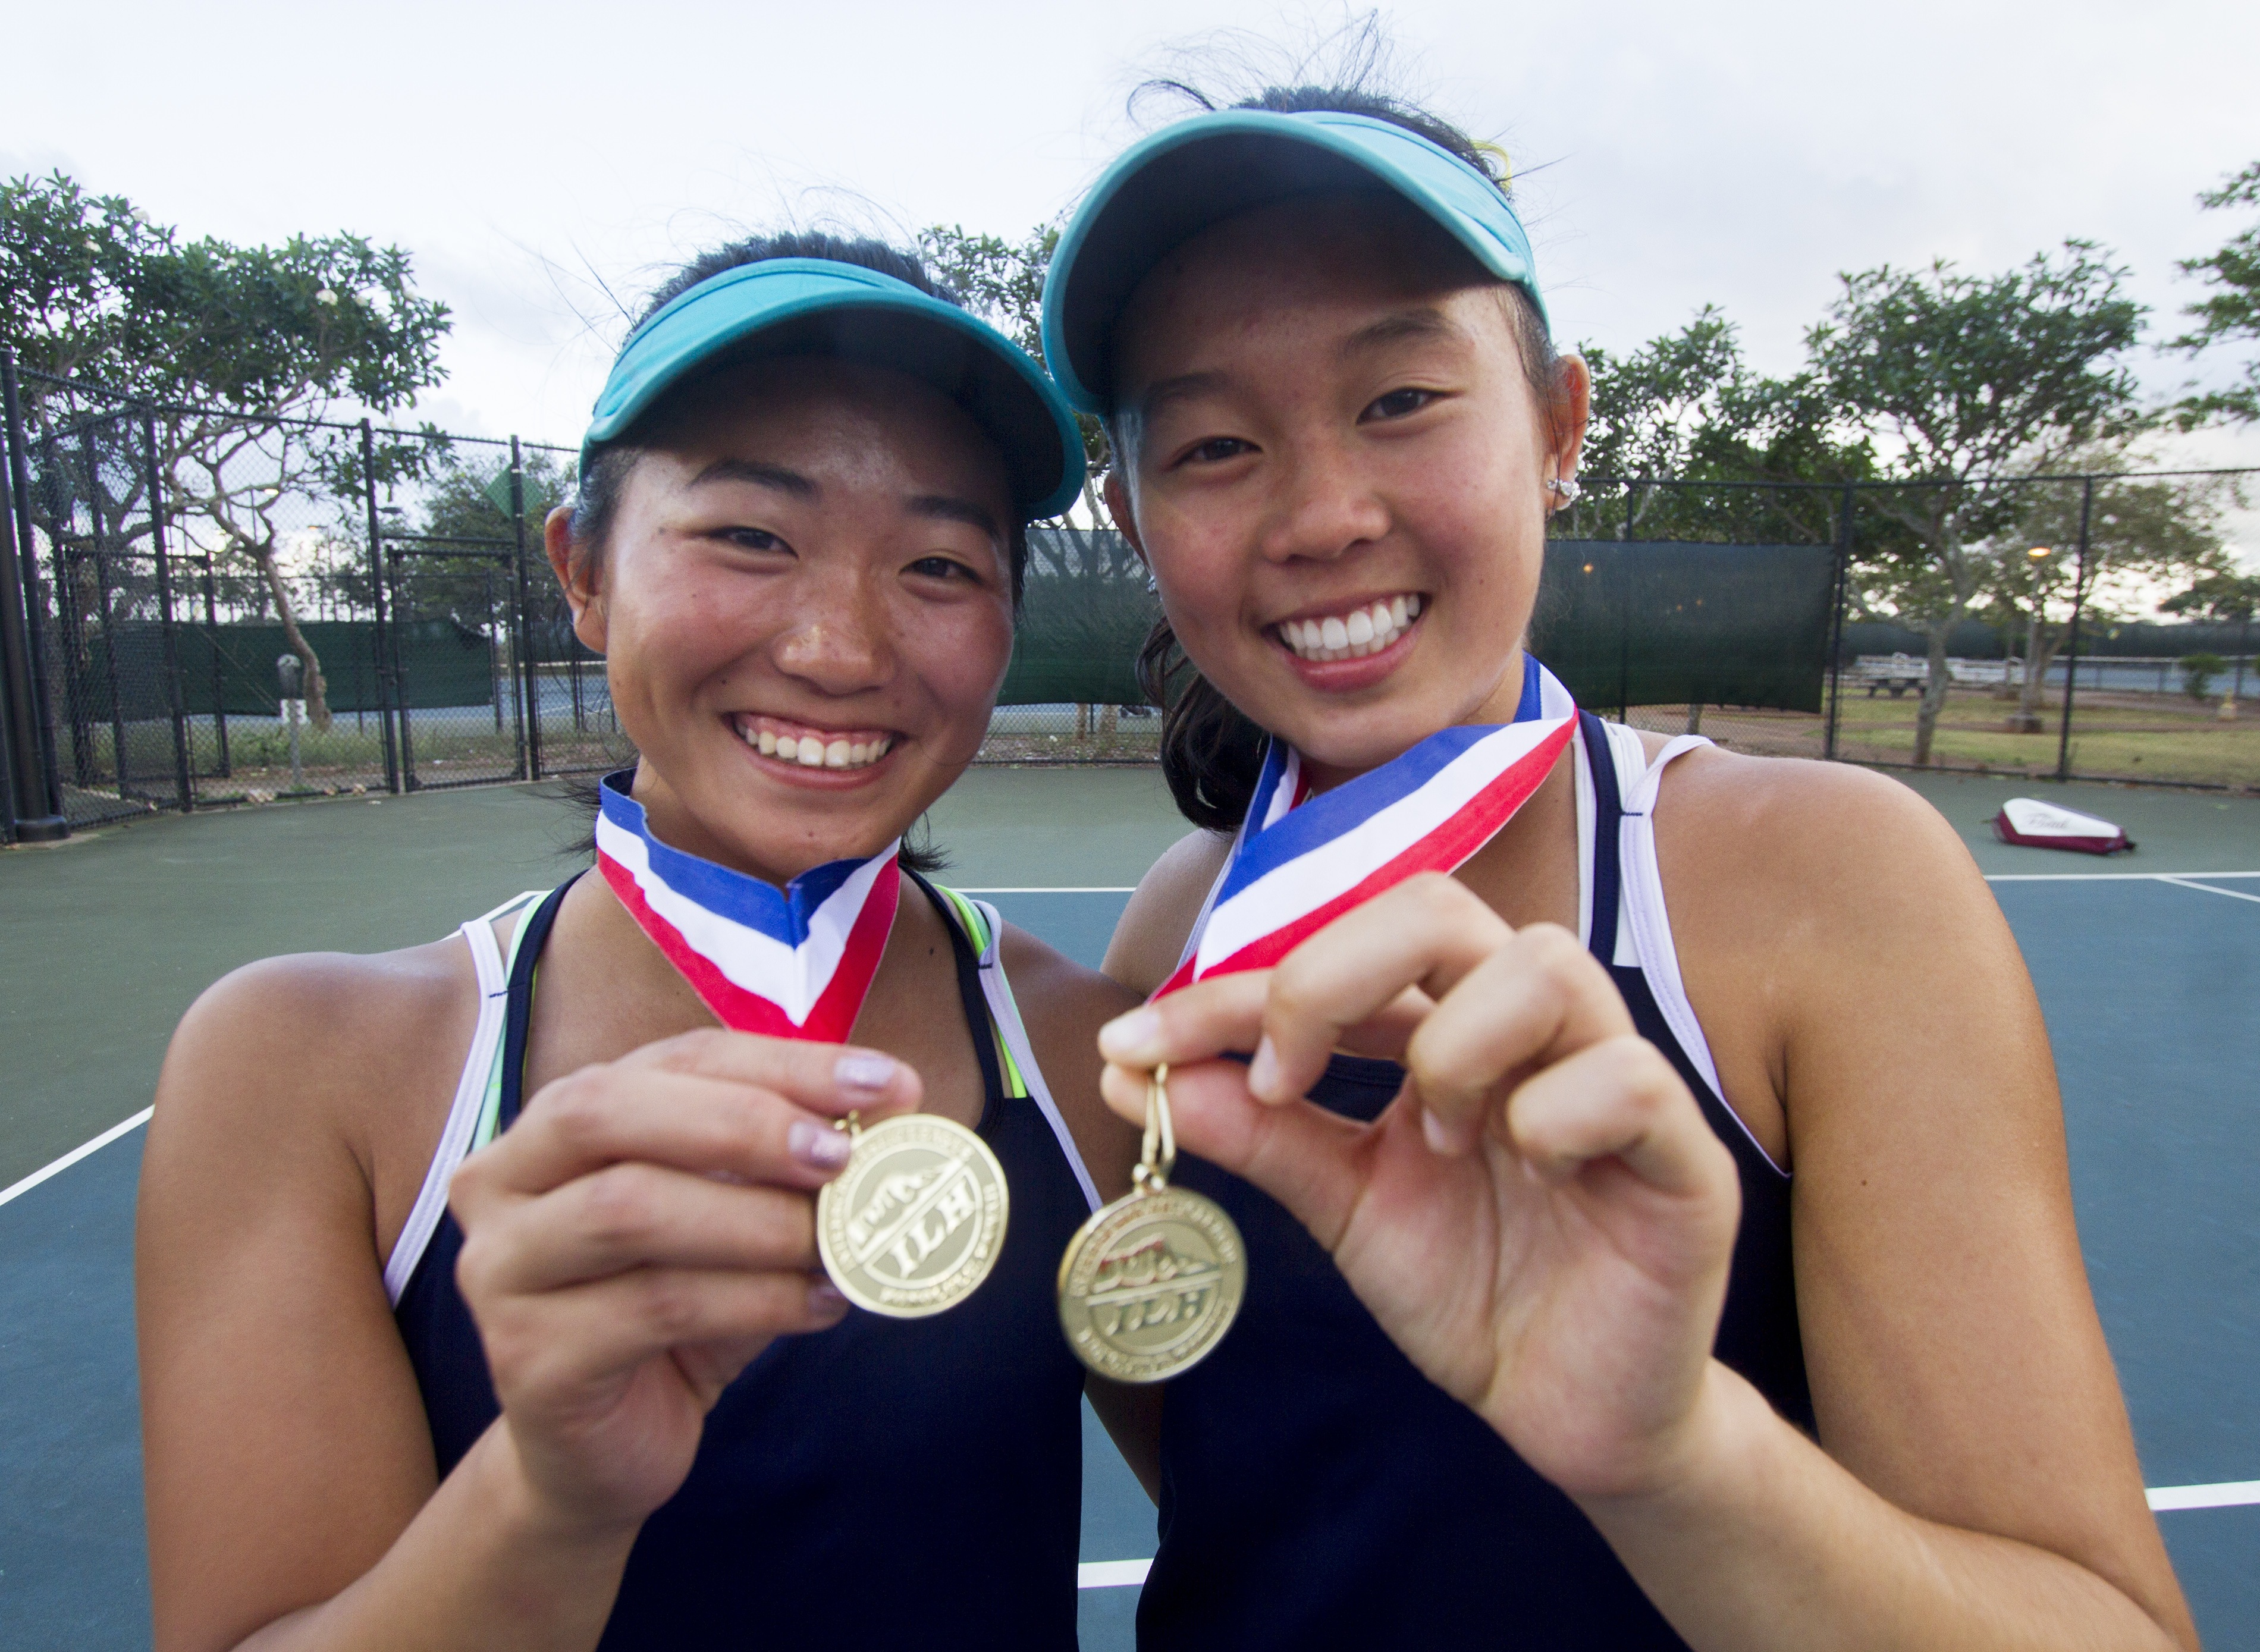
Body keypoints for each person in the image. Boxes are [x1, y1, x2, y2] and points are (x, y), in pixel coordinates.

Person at [1041, 84, 2199, 1650]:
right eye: (1215, 445)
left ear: (1562, 430)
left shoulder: (1821, 883)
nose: (1320, 515)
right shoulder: (1181, 924)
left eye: (1399, 400)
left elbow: (2109, 1627)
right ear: (1132, 515)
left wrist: (1676, 1457)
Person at [136, 233, 1144, 1652]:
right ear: (583, 570)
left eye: (937, 562)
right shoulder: (313, 1071)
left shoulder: (1086, 1052)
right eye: (749, 535)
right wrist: (551, 1497)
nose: (842, 648)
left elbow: (1288, 1522)